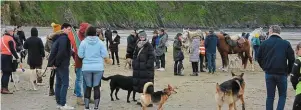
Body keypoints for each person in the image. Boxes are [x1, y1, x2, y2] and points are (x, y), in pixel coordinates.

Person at [257, 25, 295, 110]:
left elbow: (258, 58)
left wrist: (264, 67)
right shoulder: (286, 43)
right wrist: (288, 71)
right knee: (282, 95)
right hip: (282, 73)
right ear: (279, 32)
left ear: (270, 31)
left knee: (270, 96)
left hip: (269, 72)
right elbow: (292, 59)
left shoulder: (264, 43)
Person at [78, 26, 111, 110]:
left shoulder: (83, 42)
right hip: (98, 68)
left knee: (88, 87)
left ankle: (87, 107)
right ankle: (96, 107)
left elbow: (80, 55)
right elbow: (105, 55)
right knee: (96, 87)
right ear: (95, 33)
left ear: (87, 32)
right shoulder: (100, 42)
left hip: (86, 67)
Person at [47, 23, 74, 110]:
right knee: (65, 84)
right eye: (69, 29)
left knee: (58, 83)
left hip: (58, 64)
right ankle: (63, 104)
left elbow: (58, 51)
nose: (70, 31)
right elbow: (61, 52)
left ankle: (59, 103)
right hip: (62, 64)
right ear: (64, 29)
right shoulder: (64, 38)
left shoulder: (57, 38)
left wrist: (53, 64)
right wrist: (56, 64)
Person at [132, 30, 155, 105]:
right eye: (140, 37)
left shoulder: (149, 45)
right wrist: (134, 63)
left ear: (145, 37)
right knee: (140, 85)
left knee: (147, 85)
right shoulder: (137, 44)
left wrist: (147, 65)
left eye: (143, 37)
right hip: (138, 69)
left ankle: (148, 101)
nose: (142, 38)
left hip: (146, 69)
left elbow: (152, 57)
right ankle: (142, 100)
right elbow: (134, 55)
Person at [73, 22, 90, 105]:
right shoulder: (78, 37)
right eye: (87, 29)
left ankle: (87, 96)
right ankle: (79, 97)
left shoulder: (86, 37)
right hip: (79, 61)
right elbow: (76, 50)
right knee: (79, 79)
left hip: (85, 61)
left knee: (86, 79)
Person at [1, 27, 20, 94]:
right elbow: (12, 49)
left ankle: (2, 88)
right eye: (12, 31)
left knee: (4, 73)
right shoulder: (10, 39)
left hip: (2, 56)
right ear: (9, 32)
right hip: (8, 57)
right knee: (7, 73)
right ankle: (5, 89)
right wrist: (17, 57)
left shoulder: (2, 38)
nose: (13, 32)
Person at [46, 22, 63, 96]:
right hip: (60, 59)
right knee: (61, 74)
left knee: (52, 74)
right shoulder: (61, 39)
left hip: (52, 59)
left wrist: (49, 53)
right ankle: (59, 89)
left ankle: (51, 89)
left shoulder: (49, 39)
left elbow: (45, 48)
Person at [290, 42, 301, 110]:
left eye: (297, 50)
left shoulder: (298, 60)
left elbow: (293, 77)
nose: (296, 52)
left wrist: (295, 86)